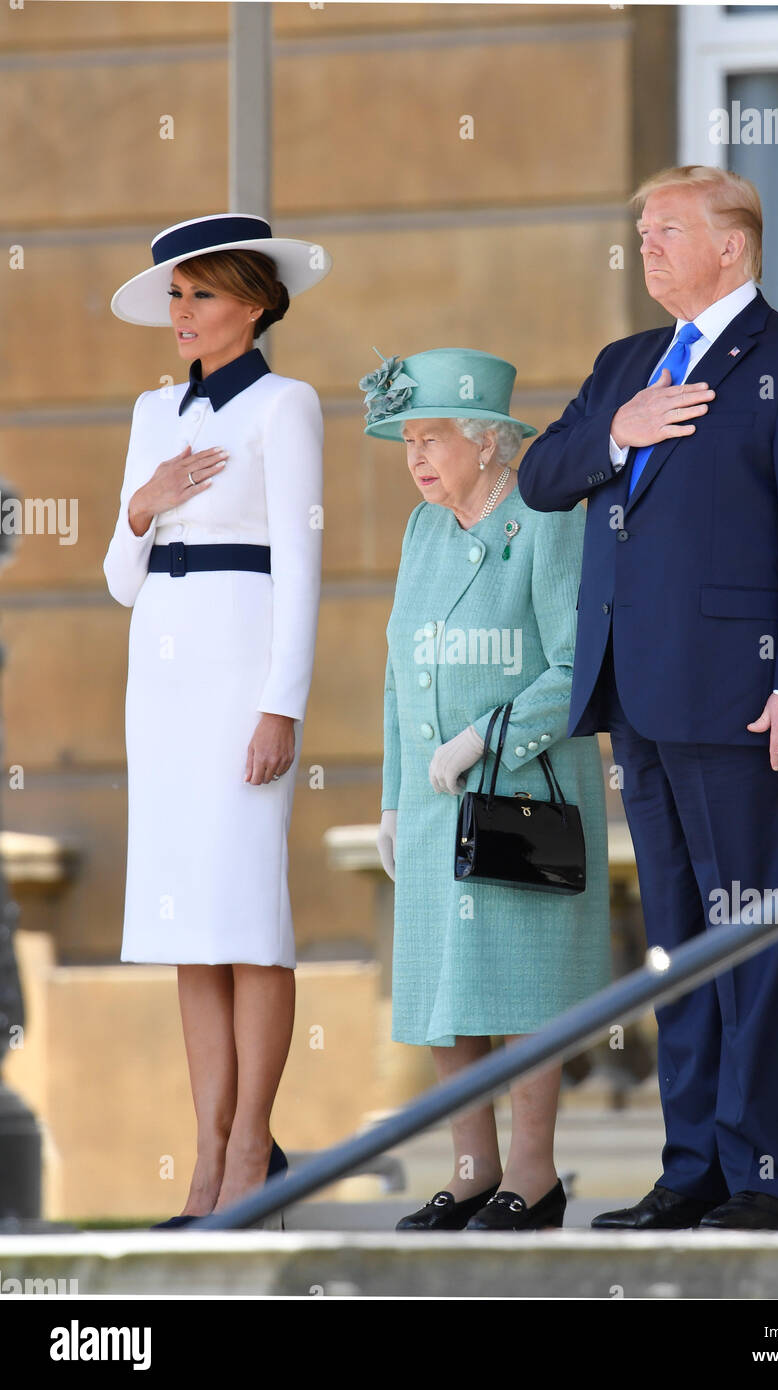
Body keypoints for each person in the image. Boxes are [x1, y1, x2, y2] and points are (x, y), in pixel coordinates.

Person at [518, 166, 778, 1232]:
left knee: (757, 933)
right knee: (677, 938)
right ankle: (694, 1171)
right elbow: (543, 476)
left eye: (666, 228)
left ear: (733, 245)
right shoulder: (625, 364)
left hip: (751, 700)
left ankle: (766, 1176)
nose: (645, 245)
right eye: (638, 228)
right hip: (639, 696)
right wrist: (618, 428)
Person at [104, 213, 330, 1228]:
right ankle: (204, 1170)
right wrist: (143, 506)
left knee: (250, 921)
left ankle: (252, 1155)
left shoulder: (287, 406)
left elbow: (303, 567)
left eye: (200, 293)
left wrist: (281, 703)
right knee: (190, 927)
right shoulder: (152, 414)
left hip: (244, 670)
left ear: (255, 301)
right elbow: (117, 579)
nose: (182, 312)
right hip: (161, 670)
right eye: (175, 296)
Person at [364, 347, 611, 1231]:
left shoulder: (547, 518)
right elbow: (399, 671)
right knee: (444, 994)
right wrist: (394, 798)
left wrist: (485, 738)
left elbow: (574, 664)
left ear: (490, 441)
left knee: (526, 991)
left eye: (432, 438)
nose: (416, 457)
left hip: (522, 791)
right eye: (408, 441)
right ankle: (472, 1172)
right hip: (435, 806)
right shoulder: (421, 529)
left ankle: (535, 1180)